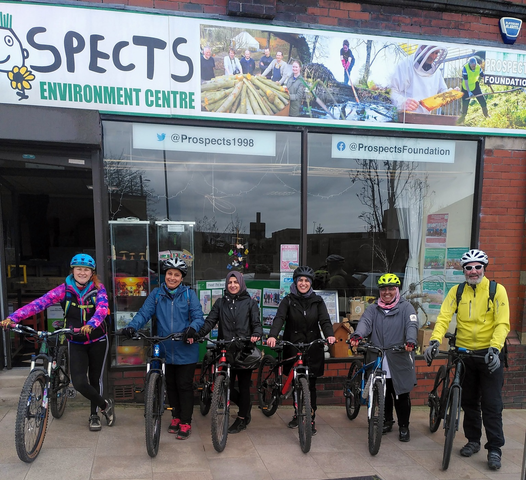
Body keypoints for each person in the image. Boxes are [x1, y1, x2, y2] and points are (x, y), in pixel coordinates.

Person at [1, 254, 115, 432]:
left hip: (97, 339)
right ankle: (105, 405)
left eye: (86, 270)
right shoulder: (64, 290)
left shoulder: (98, 289)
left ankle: (94, 414)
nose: (82, 273)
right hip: (75, 340)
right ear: (73, 271)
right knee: (79, 382)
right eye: (79, 269)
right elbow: (39, 304)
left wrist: (91, 324)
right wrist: (13, 317)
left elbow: (101, 309)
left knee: (95, 379)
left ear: (92, 273)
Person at [424, 249, 510, 470]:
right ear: (463, 271)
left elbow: (502, 323)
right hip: (464, 354)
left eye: (477, 267)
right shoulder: (457, 291)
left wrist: (495, 348)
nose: (473, 271)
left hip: (489, 354)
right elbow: (444, 317)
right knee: (469, 402)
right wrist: (434, 340)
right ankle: (473, 441)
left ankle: (494, 449)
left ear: (484, 268)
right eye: (468, 268)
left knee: (492, 404)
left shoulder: (496, 290)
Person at [122, 258, 204, 440]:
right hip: (165, 347)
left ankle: (186, 421)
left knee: (184, 385)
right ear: (165, 275)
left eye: (176, 275)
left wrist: (192, 328)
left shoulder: (189, 295)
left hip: (186, 348)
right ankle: (176, 417)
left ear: (181, 278)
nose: (172, 278)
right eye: (169, 274)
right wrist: (132, 327)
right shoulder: (157, 294)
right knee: (171, 385)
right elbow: (144, 313)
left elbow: (198, 317)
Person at [266, 266, 336, 435]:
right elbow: (279, 318)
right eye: (300, 280)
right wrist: (273, 335)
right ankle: (297, 413)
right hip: (293, 344)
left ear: (311, 283)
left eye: (306, 281)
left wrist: (329, 335)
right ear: (296, 282)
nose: (303, 283)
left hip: (312, 345)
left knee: (310, 384)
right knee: (296, 381)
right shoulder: (288, 300)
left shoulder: (318, 301)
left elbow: (325, 320)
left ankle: (311, 418)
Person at [350, 273, 418, 442]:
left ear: (397, 290)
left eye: (391, 289)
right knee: (383, 392)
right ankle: (387, 421)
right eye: (383, 289)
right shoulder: (373, 308)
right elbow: (365, 323)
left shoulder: (406, 307)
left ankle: (404, 426)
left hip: (399, 356)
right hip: (378, 355)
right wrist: (358, 335)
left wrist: (410, 341)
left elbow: (412, 325)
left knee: (401, 394)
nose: (387, 292)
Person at [198, 271, 263, 433]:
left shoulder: (250, 303)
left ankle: (241, 418)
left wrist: (256, 333)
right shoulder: (220, 303)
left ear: (241, 283)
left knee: (244, 386)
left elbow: (256, 323)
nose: (232, 285)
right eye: (230, 282)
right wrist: (198, 333)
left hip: (244, 351)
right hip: (225, 349)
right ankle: (245, 407)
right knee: (225, 385)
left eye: (236, 282)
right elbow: (210, 321)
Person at [390, 44, 449, 115]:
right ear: (422, 47)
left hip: (425, 118)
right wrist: (402, 103)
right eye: (432, 52)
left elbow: (443, 91)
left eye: (436, 53)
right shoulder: (405, 65)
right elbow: (392, 91)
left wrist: (451, 93)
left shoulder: (437, 72)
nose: (433, 57)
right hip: (405, 116)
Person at [458, 57, 489, 124]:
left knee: (482, 101)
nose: (474, 67)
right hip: (466, 88)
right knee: (464, 106)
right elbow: (466, 81)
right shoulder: (465, 68)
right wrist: (469, 92)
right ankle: (462, 121)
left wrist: (487, 82)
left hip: (475, 86)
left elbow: (482, 76)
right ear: (469, 65)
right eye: (472, 66)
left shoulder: (478, 67)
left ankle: (486, 115)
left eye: (474, 66)